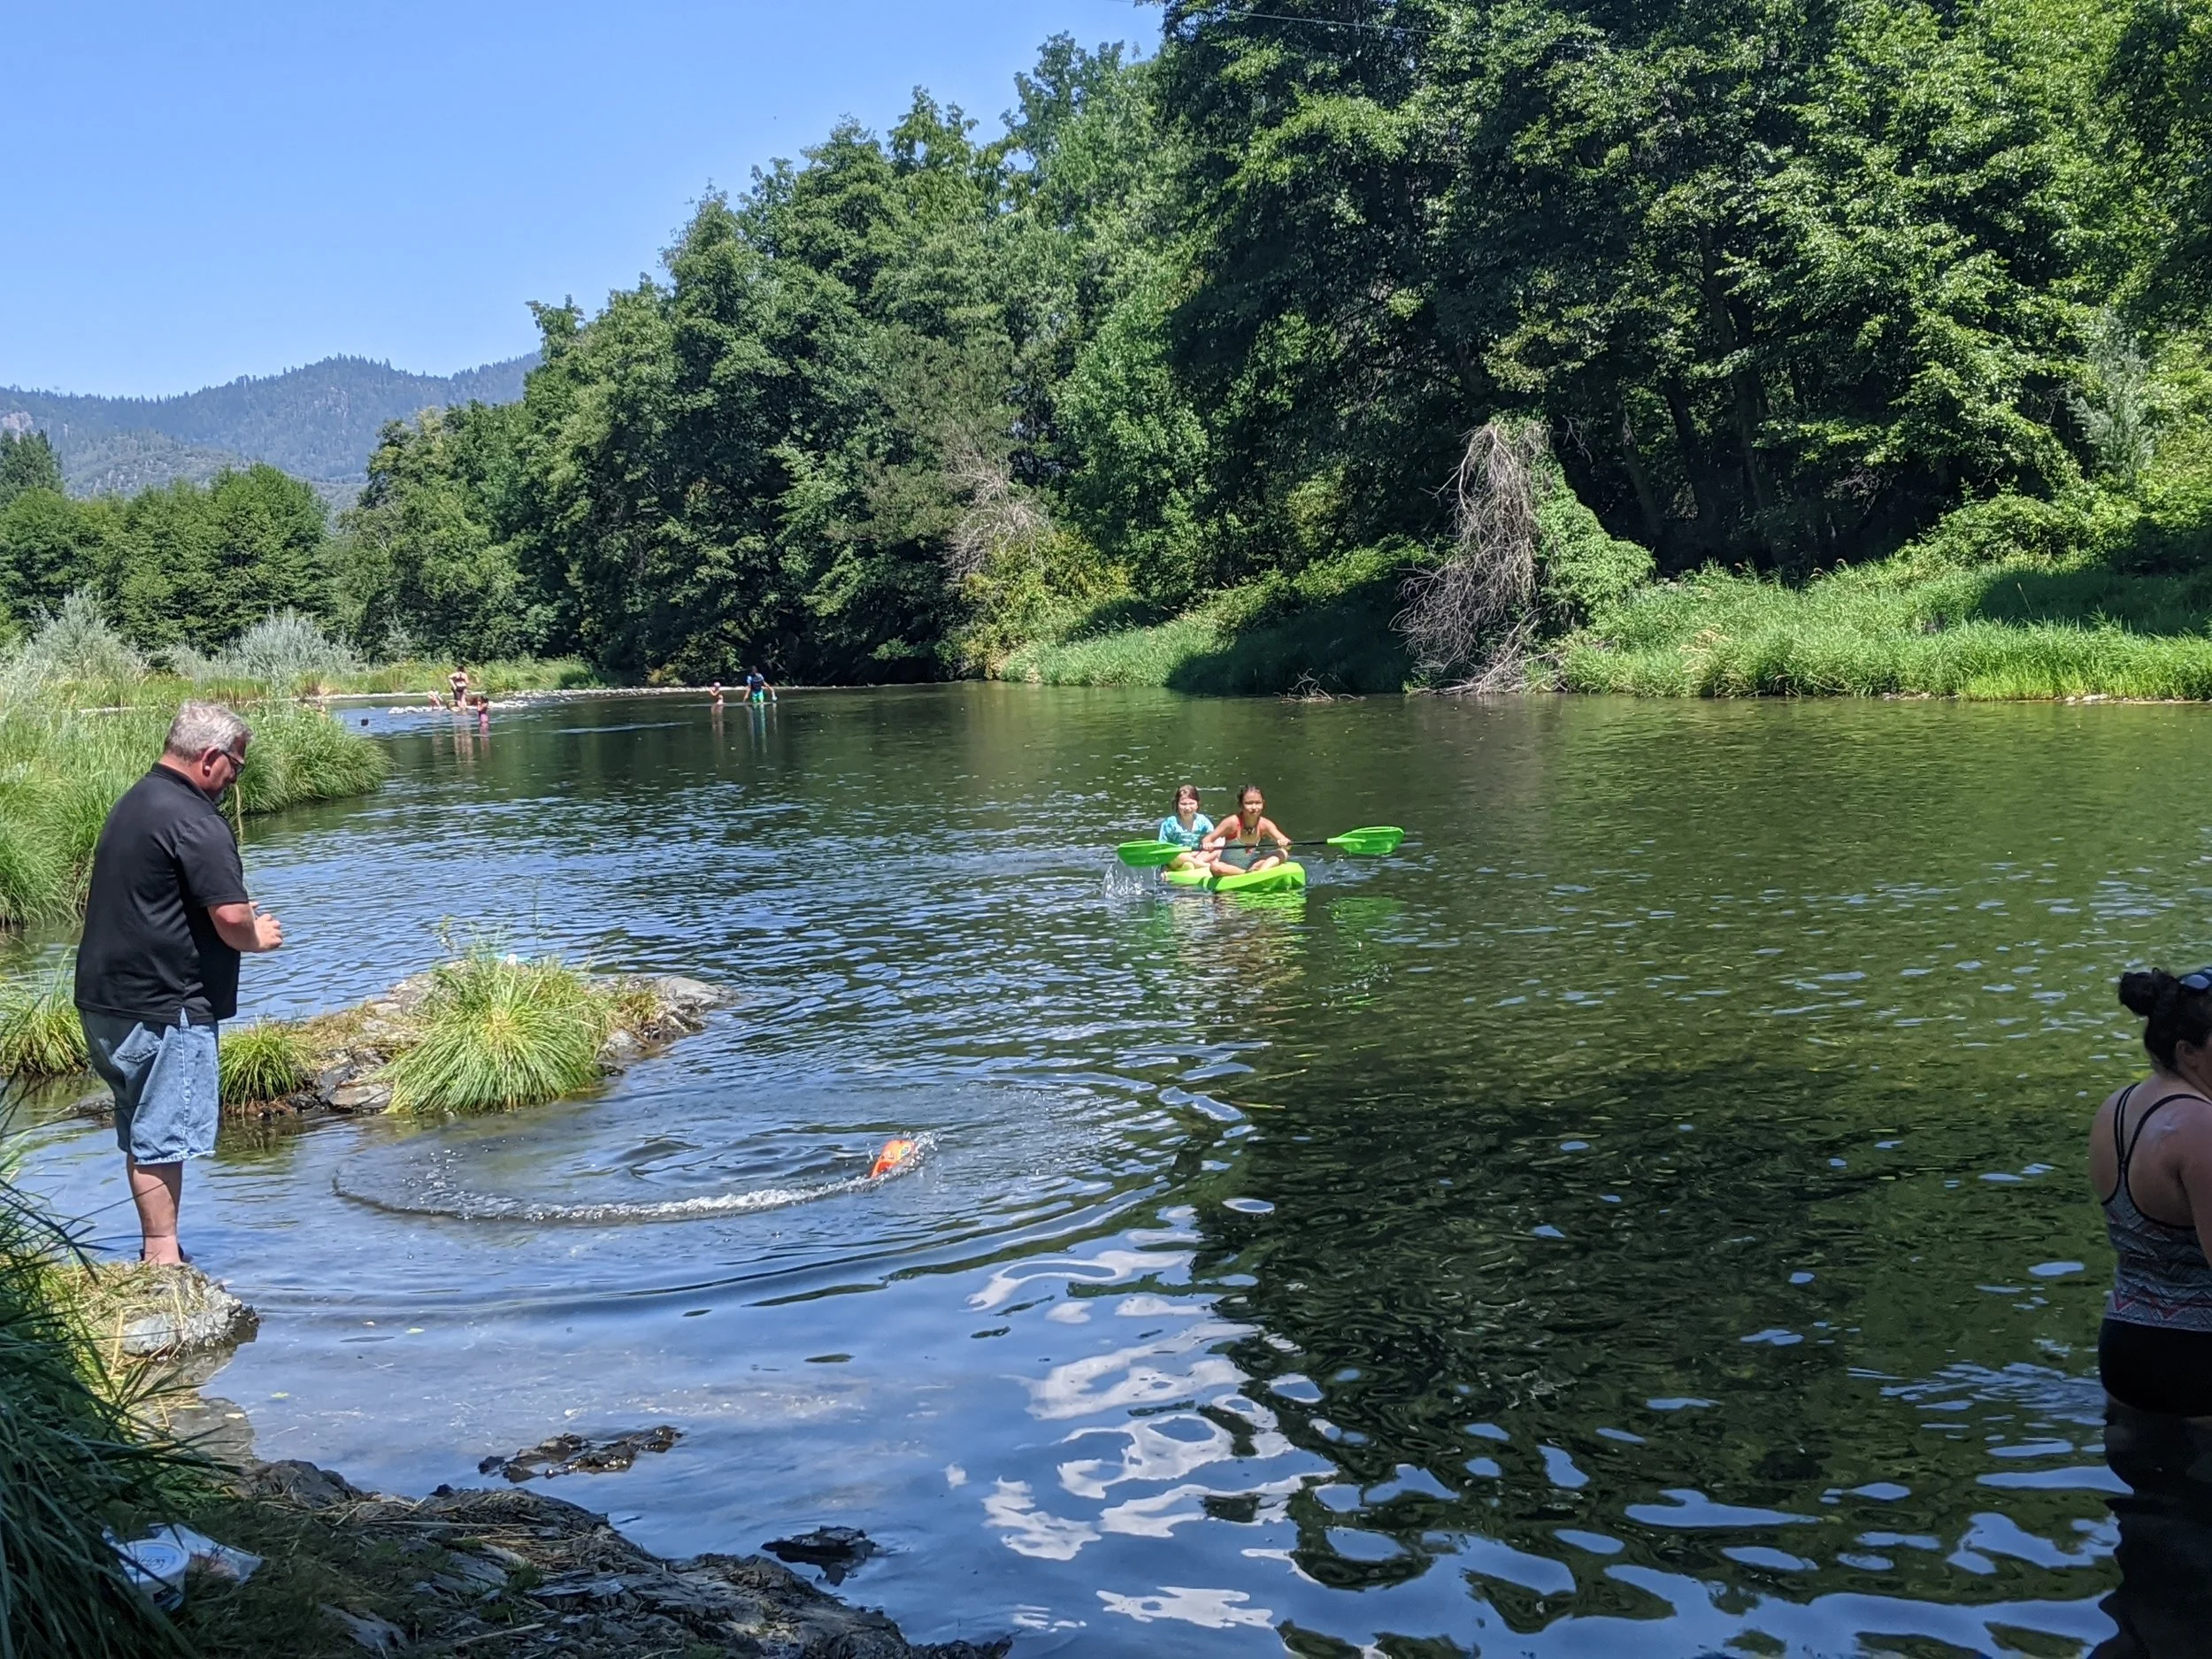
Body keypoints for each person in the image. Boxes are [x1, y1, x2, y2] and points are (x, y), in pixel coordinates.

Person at [73, 703, 283, 1264]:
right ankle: (163, 1261)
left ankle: (157, 1250)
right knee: (163, 1135)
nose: (236, 779)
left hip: (105, 999)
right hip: (166, 1003)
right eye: (236, 766)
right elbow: (233, 920)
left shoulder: (137, 800)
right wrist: (256, 937)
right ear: (211, 759)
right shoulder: (196, 819)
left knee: (142, 1130)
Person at [2093, 968, 2212, 1418]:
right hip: (2198, 1357)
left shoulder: (2115, 1107)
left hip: (2124, 1349)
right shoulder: (2200, 1126)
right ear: (2189, 1052)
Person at [1201, 784, 1292, 878]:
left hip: (1251, 866)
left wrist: (1285, 843)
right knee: (1215, 867)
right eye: (1249, 803)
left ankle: (1262, 873)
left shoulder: (1265, 824)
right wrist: (1207, 844)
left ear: (1263, 803)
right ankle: (1247, 874)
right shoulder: (1231, 822)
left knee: (1282, 852)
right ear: (1241, 805)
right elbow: (1207, 839)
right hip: (1228, 868)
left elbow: (1285, 842)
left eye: (1258, 803)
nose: (1254, 807)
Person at [1155, 785, 1214, 872]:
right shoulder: (1170, 823)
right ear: (1177, 805)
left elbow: (1214, 835)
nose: (1187, 808)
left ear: (1197, 804)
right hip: (1176, 858)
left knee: (1221, 841)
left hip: (1196, 855)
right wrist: (1163, 869)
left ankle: (1191, 865)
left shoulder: (1202, 820)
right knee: (1176, 855)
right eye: (1183, 804)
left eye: (1191, 803)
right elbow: (1162, 848)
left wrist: (1208, 841)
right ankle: (1206, 866)